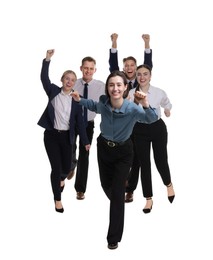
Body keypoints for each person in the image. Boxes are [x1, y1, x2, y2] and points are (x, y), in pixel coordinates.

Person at [71, 70, 158, 249]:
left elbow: (151, 119)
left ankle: (113, 237)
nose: (115, 88)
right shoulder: (104, 102)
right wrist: (79, 99)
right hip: (103, 148)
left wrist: (146, 104)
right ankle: (119, 197)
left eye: (119, 85)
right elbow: (93, 105)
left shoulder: (133, 109)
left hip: (123, 153)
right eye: (111, 85)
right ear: (107, 88)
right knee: (107, 187)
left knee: (117, 195)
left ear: (126, 88)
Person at [37, 49, 90, 213]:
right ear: (62, 80)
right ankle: (57, 199)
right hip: (52, 136)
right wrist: (47, 60)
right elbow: (44, 78)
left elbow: (80, 122)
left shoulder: (76, 99)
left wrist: (86, 141)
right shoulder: (53, 91)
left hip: (68, 137)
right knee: (55, 166)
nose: (69, 81)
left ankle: (62, 178)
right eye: (67, 78)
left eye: (72, 80)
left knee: (66, 168)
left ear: (74, 83)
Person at [127, 64, 175, 213]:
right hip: (139, 130)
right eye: (139, 74)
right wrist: (136, 102)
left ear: (150, 76)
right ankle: (148, 198)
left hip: (157, 128)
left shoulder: (159, 92)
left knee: (160, 160)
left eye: (145, 74)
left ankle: (168, 184)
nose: (142, 77)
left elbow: (167, 104)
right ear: (136, 76)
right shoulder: (131, 93)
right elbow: (128, 111)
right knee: (144, 164)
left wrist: (167, 111)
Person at [66, 56, 105, 200]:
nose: (88, 71)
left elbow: (107, 103)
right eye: (85, 68)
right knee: (69, 147)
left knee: (85, 154)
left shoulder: (101, 86)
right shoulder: (73, 83)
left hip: (88, 124)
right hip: (72, 122)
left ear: (95, 70)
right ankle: (71, 165)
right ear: (81, 68)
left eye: (91, 68)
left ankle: (80, 189)